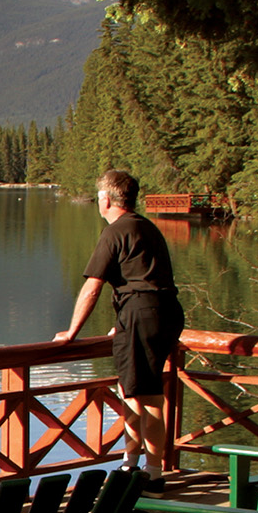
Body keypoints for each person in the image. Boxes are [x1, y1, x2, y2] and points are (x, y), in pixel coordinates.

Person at [53, 169, 185, 488]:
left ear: (107, 199)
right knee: (132, 389)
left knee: (148, 395)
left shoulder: (115, 232)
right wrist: (123, 324)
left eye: (99, 196)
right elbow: (145, 277)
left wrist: (71, 332)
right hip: (163, 313)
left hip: (142, 314)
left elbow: (92, 287)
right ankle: (131, 463)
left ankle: (153, 473)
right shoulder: (146, 227)